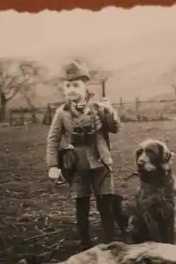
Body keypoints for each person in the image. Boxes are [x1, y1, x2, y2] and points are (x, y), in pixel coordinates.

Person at [46, 60, 124, 249]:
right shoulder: (61, 112)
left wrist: (110, 111)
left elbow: (114, 129)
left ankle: (111, 242)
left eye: (76, 85)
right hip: (76, 164)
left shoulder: (98, 107)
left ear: (85, 86)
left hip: (101, 161)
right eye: (68, 86)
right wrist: (53, 166)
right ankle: (85, 244)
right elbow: (53, 139)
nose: (71, 89)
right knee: (81, 205)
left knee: (105, 203)